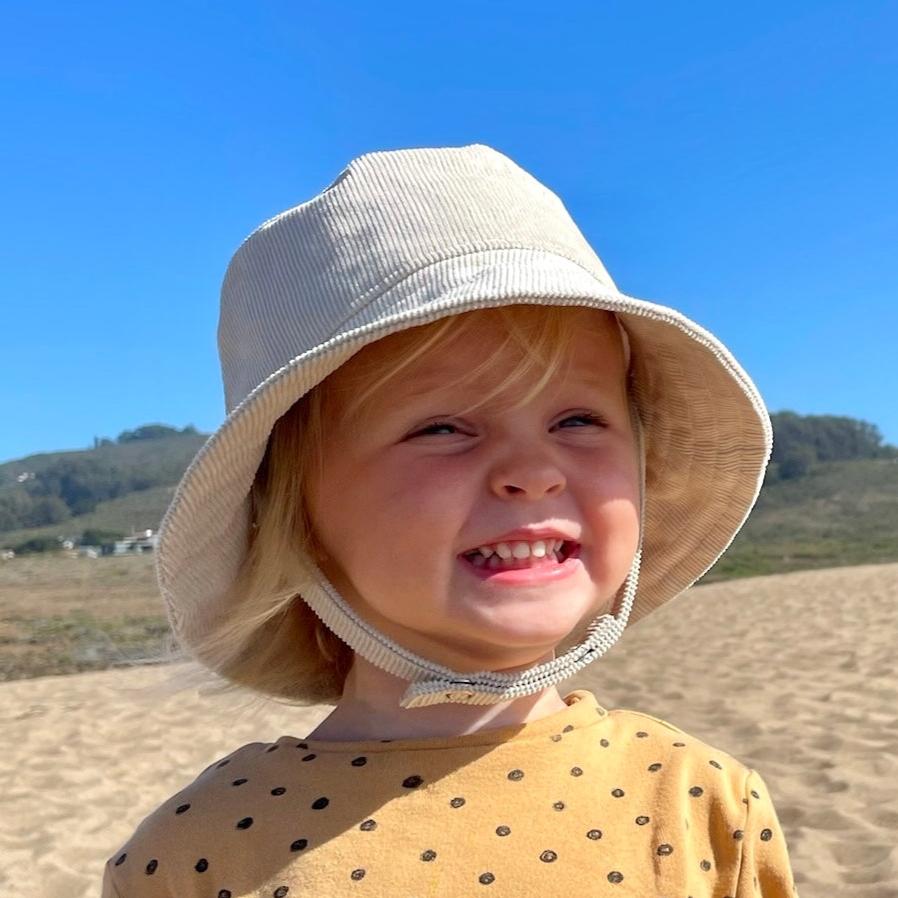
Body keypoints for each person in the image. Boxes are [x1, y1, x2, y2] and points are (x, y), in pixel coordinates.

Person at [101, 144, 800, 897]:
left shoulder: (700, 801)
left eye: (577, 419)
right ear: (293, 515)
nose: (534, 472)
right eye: (442, 429)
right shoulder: (198, 851)